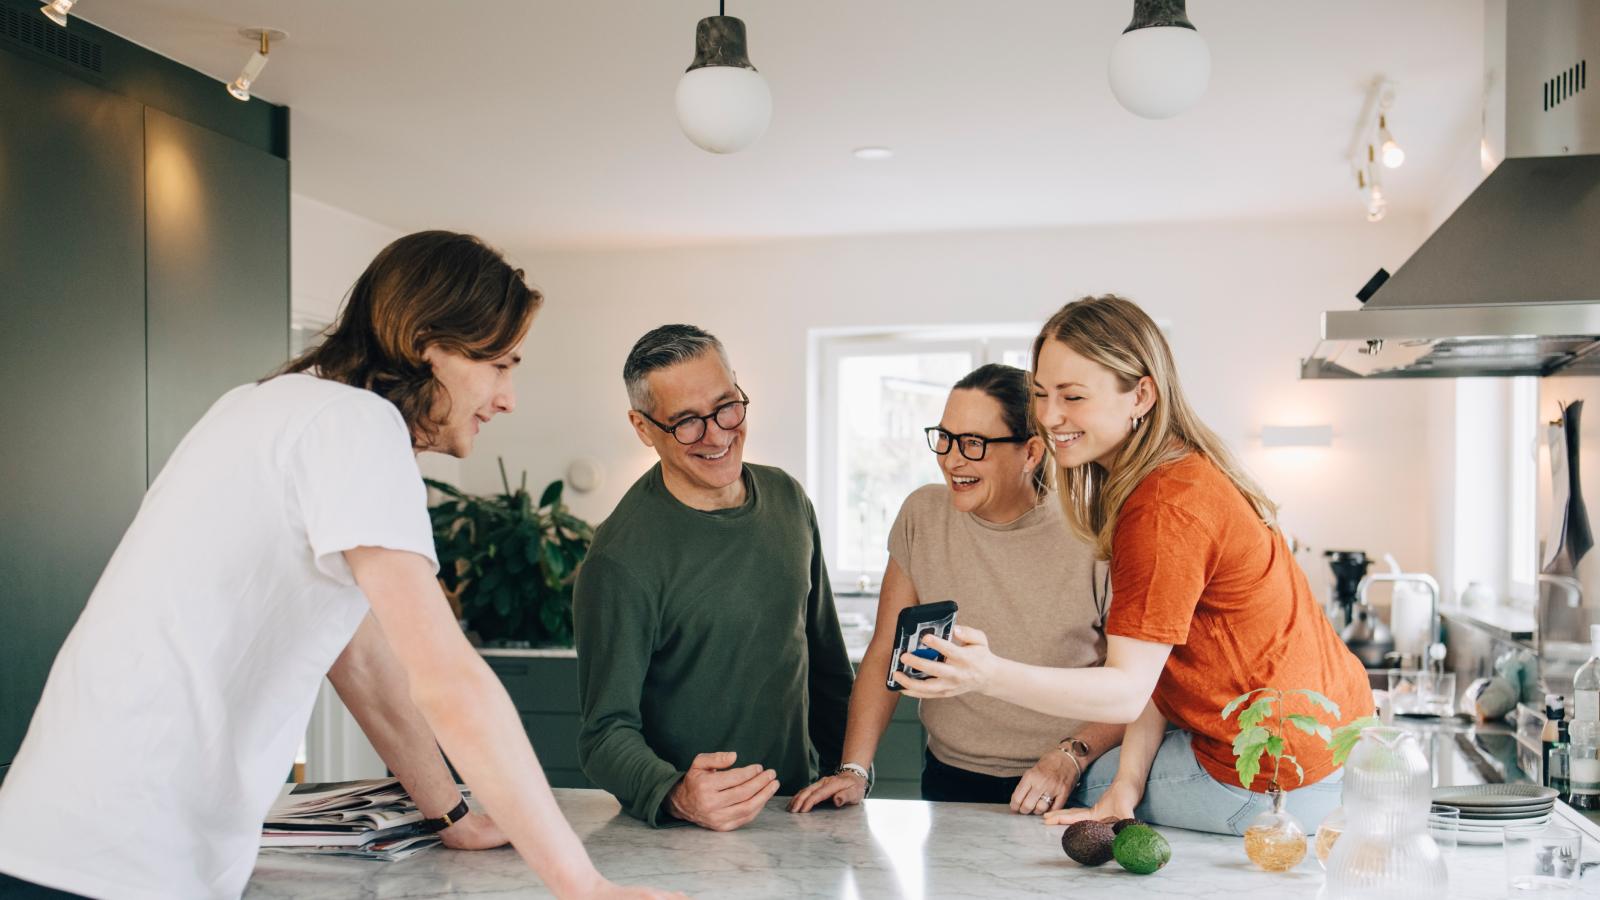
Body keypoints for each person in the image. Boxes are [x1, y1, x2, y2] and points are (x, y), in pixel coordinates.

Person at [0, 232, 678, 899]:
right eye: (499, 364)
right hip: (122, 856)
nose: (507, 397)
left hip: (56, 837)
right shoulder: (356, 427)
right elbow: (446, 680)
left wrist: (454, 813)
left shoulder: (265, 405)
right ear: (426, 347)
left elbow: (359, 657)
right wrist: (583, 885)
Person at [892, 296, 1372, 836]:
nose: (1050, 418)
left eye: (1073, 396)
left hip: (1272, 777)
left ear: (1141, 394)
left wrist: (987, 673)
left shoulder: (1163, 510)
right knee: (1104, 784)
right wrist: (1127, 785)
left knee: (1036, 800)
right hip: (1329, 748)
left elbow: (1124, 689)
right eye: (1042, 395)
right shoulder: (1177, 472)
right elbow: (1154, 675)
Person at [789, 364, 1123, 816]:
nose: (951, 459)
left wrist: (1069, 757)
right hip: (949, 776)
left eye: (973, 444)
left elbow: (1134, 685)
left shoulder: (1095, 532)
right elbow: (888, 646)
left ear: (1031, 453)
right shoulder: (922, 514)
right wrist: (854, 770)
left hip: (1069, 780)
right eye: (944, 438)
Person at [574, 324, 854, 832]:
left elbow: (828, 666)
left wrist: (851, 769)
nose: (718, 434)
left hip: (801, 816)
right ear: (642, 427)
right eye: (686, 422)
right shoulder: (619, 560)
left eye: (727, 406)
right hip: (687, 835)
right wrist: (678, 795)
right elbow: (604, 735)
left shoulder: (789, 500)